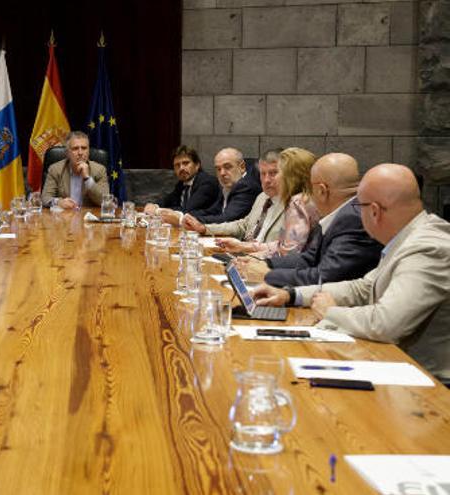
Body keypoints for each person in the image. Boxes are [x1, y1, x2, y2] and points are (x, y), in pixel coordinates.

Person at [252, 163, 450, 383]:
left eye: (360, 207)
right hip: (398, 365)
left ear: (373, 211)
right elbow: (362, 288)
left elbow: (386, 323)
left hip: (429, 385)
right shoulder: (408, 238)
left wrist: (331, 312)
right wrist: (291, 295)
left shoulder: (427, 248)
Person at [251, 153, 382, 287]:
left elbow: (325, 276)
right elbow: (309, 258)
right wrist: (266, 264)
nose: (308, 194)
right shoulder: (341, 213)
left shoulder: (352, 219)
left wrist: (267, 274)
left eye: (310, 187)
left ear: (321, 190)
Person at [188, 148, 320, 258]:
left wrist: (246, 250)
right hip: (248, 255)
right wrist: (205, 229)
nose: (267, 180)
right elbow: (245, 225)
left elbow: (289, 251)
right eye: (263, 174)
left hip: (263, 263)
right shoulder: (262, 197)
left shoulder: (298, 203)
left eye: (274, 173)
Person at [179, 148, 261, 226]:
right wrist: (184, 215)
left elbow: (227, 219)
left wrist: (182, 219)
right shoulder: (228, 186)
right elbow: (214, 211)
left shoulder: (247, 187)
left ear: (242, 167)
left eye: (227, 167)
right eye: (218, 169)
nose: (222, 173)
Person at [142, 145, 220, 224]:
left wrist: (157, 210)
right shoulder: (182, 184)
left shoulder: (207, 182)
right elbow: (167, 200)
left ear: (197, 165)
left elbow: (188, 210)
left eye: (185, 163)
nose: (181, 168)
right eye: (177, 165)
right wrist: (155, 205)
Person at [41, 131, 109, 208]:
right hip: (64, 217)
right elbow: (45, 198)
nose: (80, 153)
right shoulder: (55, 169)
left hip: (88, 218)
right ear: (67, 153)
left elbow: (105, 201)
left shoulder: (99, 170)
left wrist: (87, 178)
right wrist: (59, 202)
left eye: (84, 148)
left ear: (88, 151)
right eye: (75, 148)